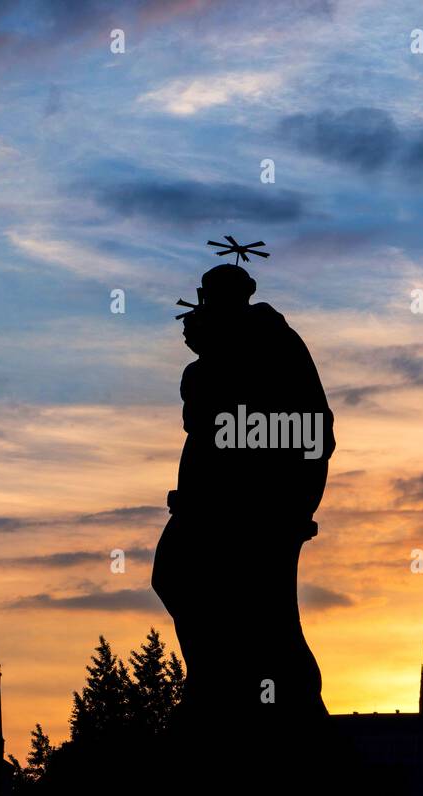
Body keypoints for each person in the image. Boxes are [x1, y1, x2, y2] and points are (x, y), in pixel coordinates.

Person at [152, 262, 335, 735]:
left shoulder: (266, 341)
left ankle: (265, 705)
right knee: (181, 581)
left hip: (252, 511)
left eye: (208, 298)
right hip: (210, 505)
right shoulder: (227, 351)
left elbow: (307, 427)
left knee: (261, 614)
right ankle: (217, 684)